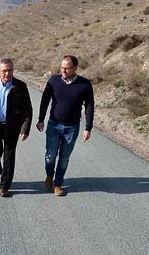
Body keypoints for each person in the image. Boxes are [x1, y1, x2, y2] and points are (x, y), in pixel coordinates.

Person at [36, 55, 94, 197]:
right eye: (62, 67)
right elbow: (45, 100)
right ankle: (49, 175)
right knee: (50, 156)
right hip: (54, 125)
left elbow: (89, 106)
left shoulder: (85, 84)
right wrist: (41, 119)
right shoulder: (54, 81)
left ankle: (58, 184)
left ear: (75, 68)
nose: (63, 70)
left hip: (72, 128)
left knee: (64, 158)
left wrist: (88, 127)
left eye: (67, 68)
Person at [0, 58, 33, 197]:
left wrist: (24, 129)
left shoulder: (21, 86)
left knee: (9, 157)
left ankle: (5, 185)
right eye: (4, 71)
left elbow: (27, 110)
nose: (7, 74)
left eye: (10, 70)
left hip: (12, 128)